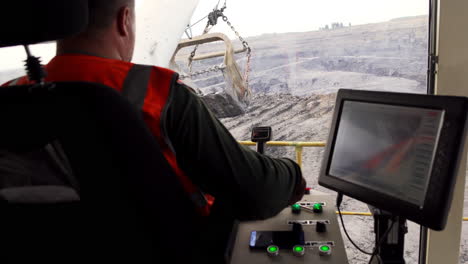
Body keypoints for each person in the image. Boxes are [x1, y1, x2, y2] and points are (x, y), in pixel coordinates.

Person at [3, 0, 306, 261]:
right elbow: (252, 190)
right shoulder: (155, 93)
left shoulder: (10, 97)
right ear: (125, 21)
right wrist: (292, 175)